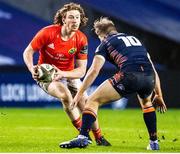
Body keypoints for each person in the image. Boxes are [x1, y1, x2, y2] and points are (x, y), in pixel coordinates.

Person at [59, 17, 167, 150]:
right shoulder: (135, 40)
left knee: (92, 100)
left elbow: (94, 71)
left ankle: (83, 137)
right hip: (149, 77)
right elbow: (153, 68)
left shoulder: (105, 42)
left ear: (101, 34)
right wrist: (159, 95)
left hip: (130, 75)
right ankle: (154, 142)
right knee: (146, 103)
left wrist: (79, 94)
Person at [23, 3, 110, 146]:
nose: (75, 20)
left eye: (77, 17)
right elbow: (28, 52)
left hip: (68, 74)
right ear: (64, 19)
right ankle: (84, 135)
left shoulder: (81, 39)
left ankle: (99, 138)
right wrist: (32, 68)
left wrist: (63, 73)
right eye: (71, 17)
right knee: (65, 96)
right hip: (48, 76)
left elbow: (81, 71)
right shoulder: (48, 33)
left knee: (86, 104)